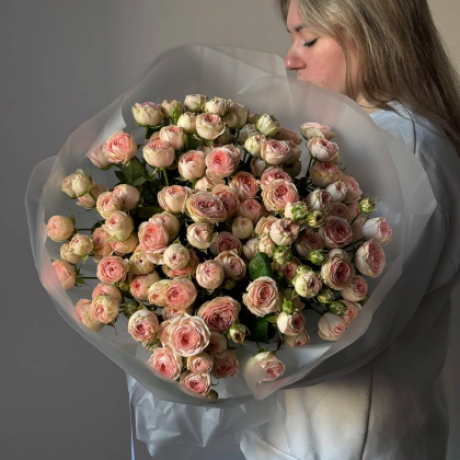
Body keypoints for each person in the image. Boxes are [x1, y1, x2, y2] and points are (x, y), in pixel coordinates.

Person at [236, 1, 460, 459]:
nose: (290, 59)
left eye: (308, 38)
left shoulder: (400, 146)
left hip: (347, 443)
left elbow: (355, 321)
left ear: (367, 32)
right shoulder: (377, 134)